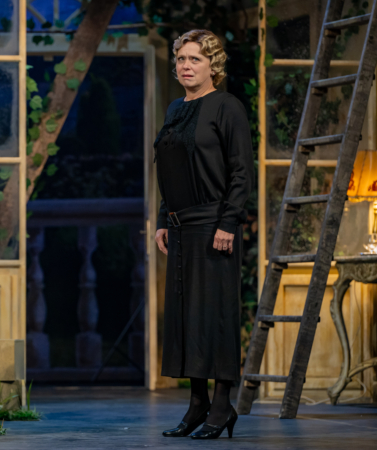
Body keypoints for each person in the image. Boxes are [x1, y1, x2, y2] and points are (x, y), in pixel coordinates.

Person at [154, 30, 254, 439]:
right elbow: (170, 169)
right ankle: (197, 403)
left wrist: (228, 223)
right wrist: (163, 218)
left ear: (213, 64)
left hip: (215, 225)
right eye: (181, 59)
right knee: (186, 318)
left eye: (194, 58)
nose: (185, 66)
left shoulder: (227, 107)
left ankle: (222, 404)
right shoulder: (175, 109)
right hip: (181, 227)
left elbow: (241, 171)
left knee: (216, 316)